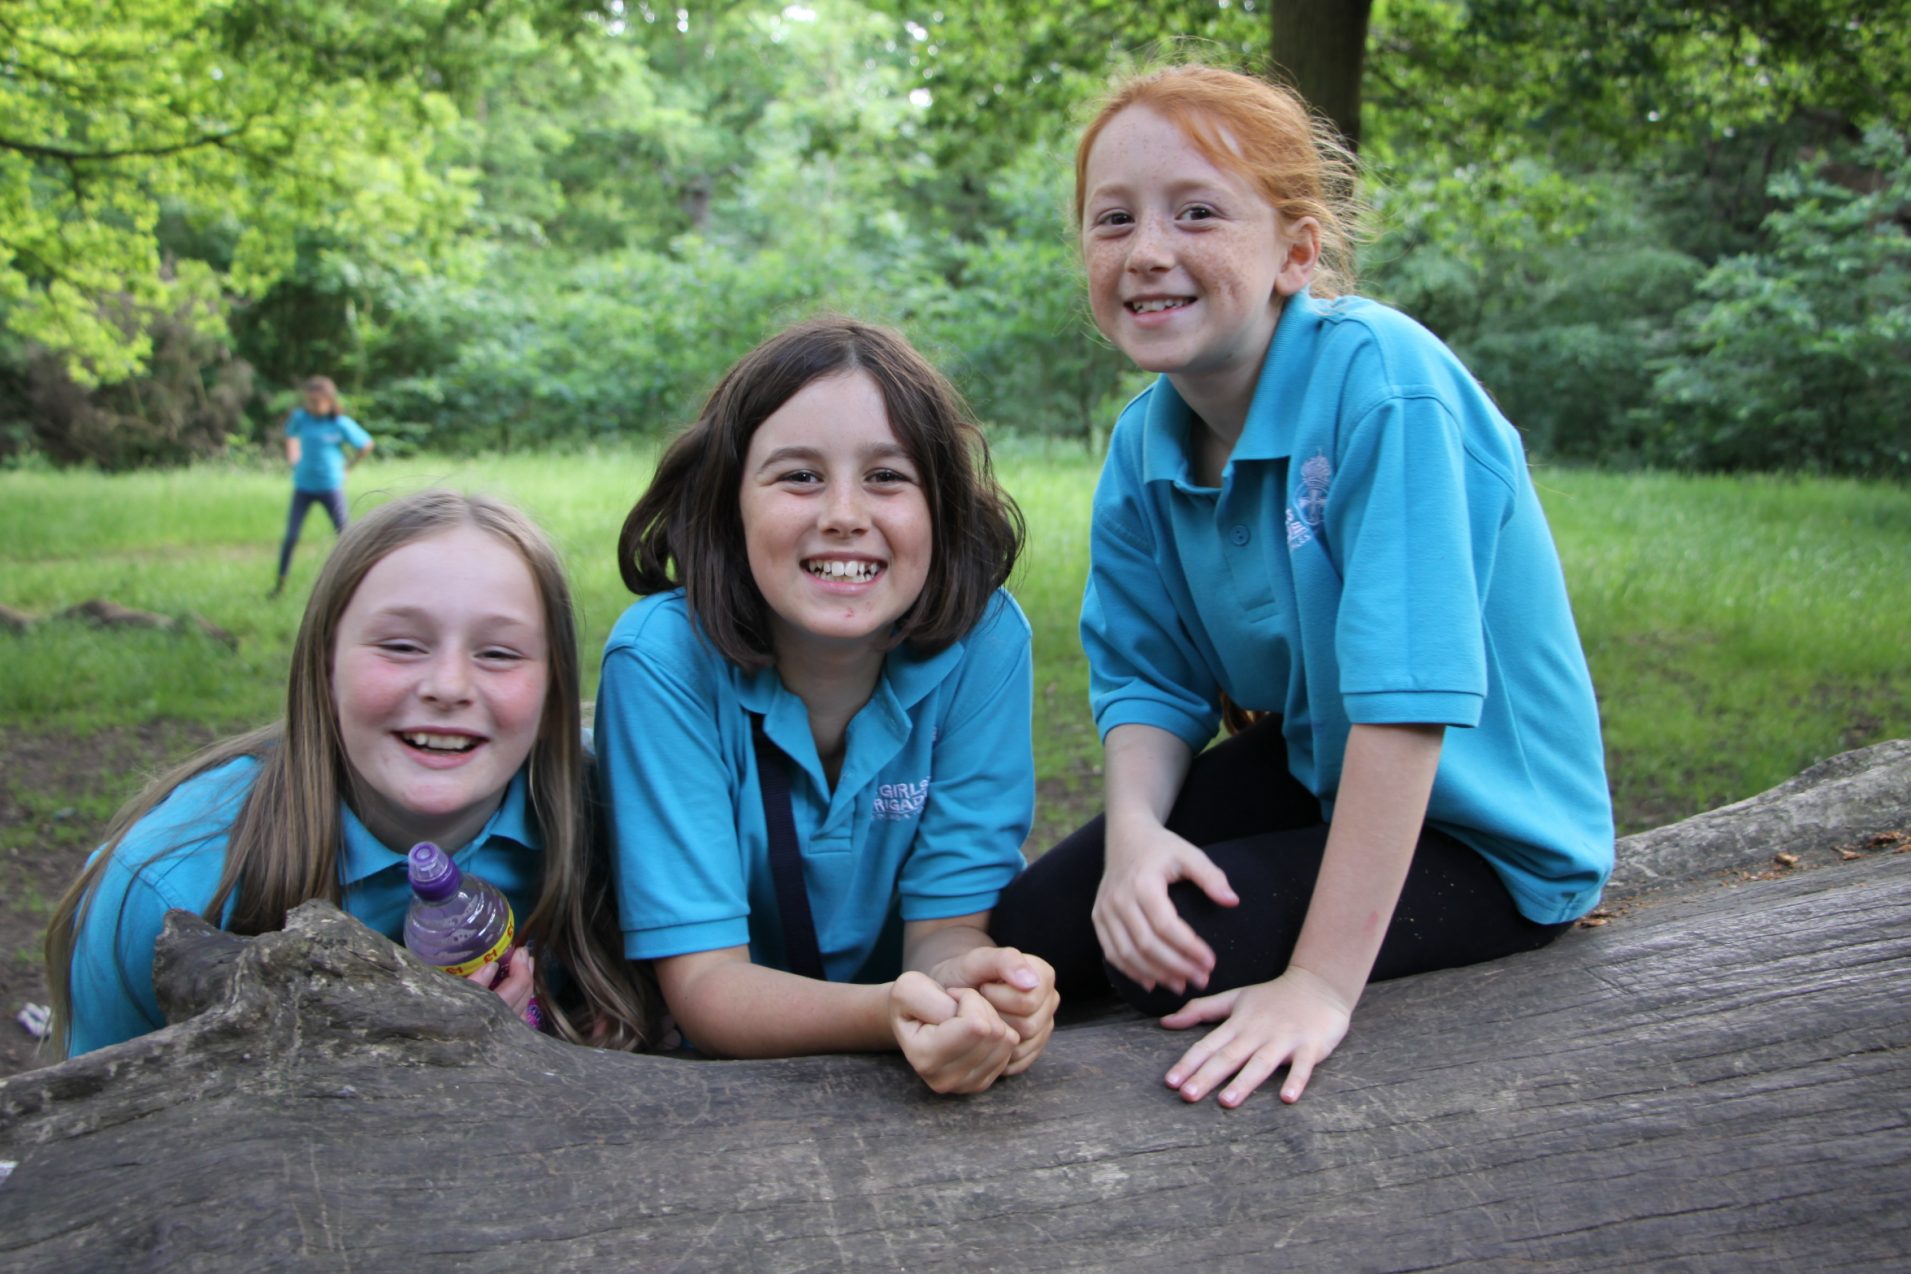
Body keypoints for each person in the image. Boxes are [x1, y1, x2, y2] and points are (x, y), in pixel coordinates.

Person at [990, 65, 1614, 1108]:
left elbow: (1405, 706)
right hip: (1319, 766)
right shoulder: (1146, 443)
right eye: (1113, 220)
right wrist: (1138, 839)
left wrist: (1318, 984)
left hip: (1489, 826)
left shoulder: (1387, 385)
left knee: (1171, 957)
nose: (1148, 251)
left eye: (1197, 212)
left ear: (1296, 249)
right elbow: (1149, 683)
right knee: (1039, 929)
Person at [598, 316, 1058, 1094]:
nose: (844, 513)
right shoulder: (660, 660)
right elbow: (707, 988)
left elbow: (945, 928)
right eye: (799, 476)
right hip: (709, 1087)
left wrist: (970, 989)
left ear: (940, 510)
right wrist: (889, 1015)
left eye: (887, 476)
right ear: (727, 504)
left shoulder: (984, 642)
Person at [46, 490, 654, 1056]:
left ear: (553, 687)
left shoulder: (625, 822)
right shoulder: (167, 885)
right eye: (400, 645)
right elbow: (92, 1136)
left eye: (498, 653)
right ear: (324, 662)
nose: (448, 686)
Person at [271, 375, 373, 598]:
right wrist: (293, 457)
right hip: (304, 486)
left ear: (329, 401)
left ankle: (357, 586)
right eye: (309, 401)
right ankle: (280, 585)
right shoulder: (301, 418)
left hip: (330, 486)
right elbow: (290, 436)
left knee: (345, 536)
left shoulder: (339, 424)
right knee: (291, 536)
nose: (312, 406)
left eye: (317, 402)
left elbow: (366, 445)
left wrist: (347, 468)